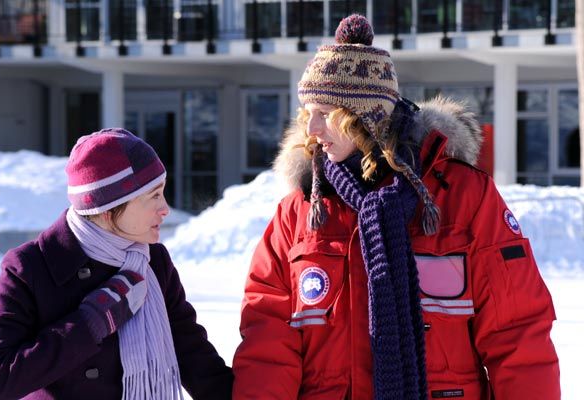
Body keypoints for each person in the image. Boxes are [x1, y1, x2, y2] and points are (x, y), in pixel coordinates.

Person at [232, 14, 560, 400]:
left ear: (363, 118)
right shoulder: (301, 212)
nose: (311, 130)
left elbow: (517, 333)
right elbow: (268, 345)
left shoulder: (463, 198)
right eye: (308, 114)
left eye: (324, 114)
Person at [0, 128, 232, 399]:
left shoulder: (153, 261)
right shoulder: (31, 267)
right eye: (154, 196)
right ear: (108, 206)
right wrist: (90, 323)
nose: (165, 209)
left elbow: (195, 357)